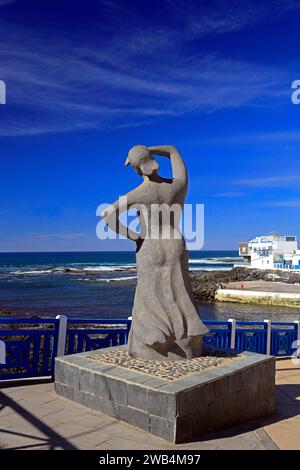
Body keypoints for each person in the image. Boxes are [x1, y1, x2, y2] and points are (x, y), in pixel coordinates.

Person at [102, 145, 208, 360]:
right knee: (179, 290)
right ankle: (188, 334)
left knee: (148, 294)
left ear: (136, 169)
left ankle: (154, 335)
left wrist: (134, 236)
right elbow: (173, 151)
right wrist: (152, 149)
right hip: (175, 243)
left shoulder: (139, 193)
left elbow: (108, 215)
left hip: (150, 244)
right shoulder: (176, 187)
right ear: (151, 160)